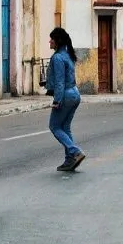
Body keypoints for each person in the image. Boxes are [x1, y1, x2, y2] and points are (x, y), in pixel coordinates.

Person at [45, 27, 85, 172]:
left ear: (57, 41)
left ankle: (75, 152)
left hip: (66, 95)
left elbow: (60, 82)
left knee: (54, 126)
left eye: (51, 39)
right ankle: (70, 160)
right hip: (74, 94)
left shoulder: (57, 58)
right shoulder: (67, 55)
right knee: (65, 127)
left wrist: (57, 101)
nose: (49, 41)